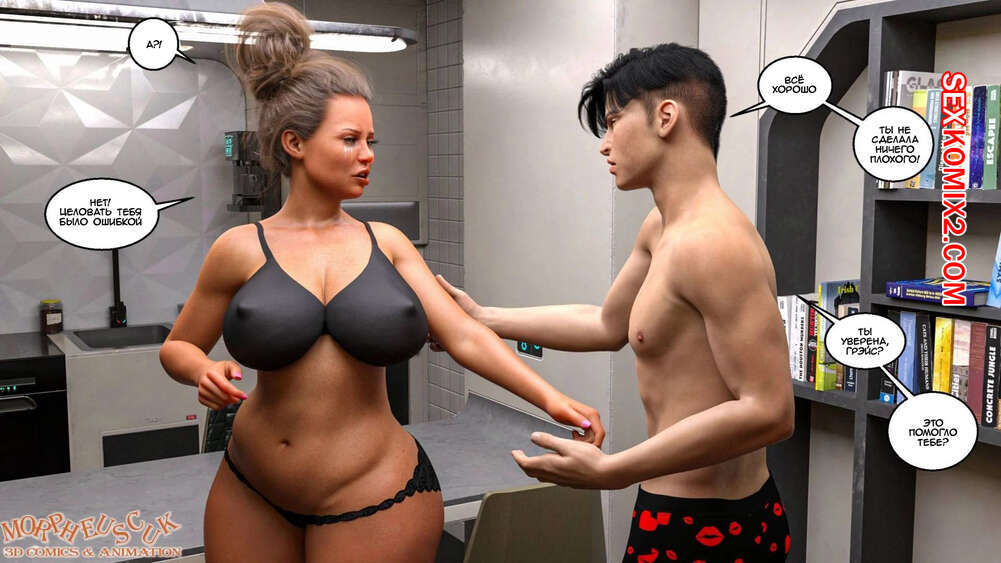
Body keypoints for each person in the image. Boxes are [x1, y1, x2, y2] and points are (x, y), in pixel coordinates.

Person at [157, 4, 604, 562]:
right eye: (350, 140)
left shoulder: (387, 243)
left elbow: (464, 335)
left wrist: (553, 399)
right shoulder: (239, 248)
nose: (367, 156)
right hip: (251, 486)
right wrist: (200, 369)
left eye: (371, 141)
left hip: (373, 492)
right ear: (294, 143)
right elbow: (178, 347)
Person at [431, 43, 795, 562]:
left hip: (713, 523)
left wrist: (613, 470)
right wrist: (482, 318)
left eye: (614, 121)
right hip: (670, 506)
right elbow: (607, 324)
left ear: (666, 117)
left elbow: (770, 411)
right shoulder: (663, 226)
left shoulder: (713, 243)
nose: (605, 144)